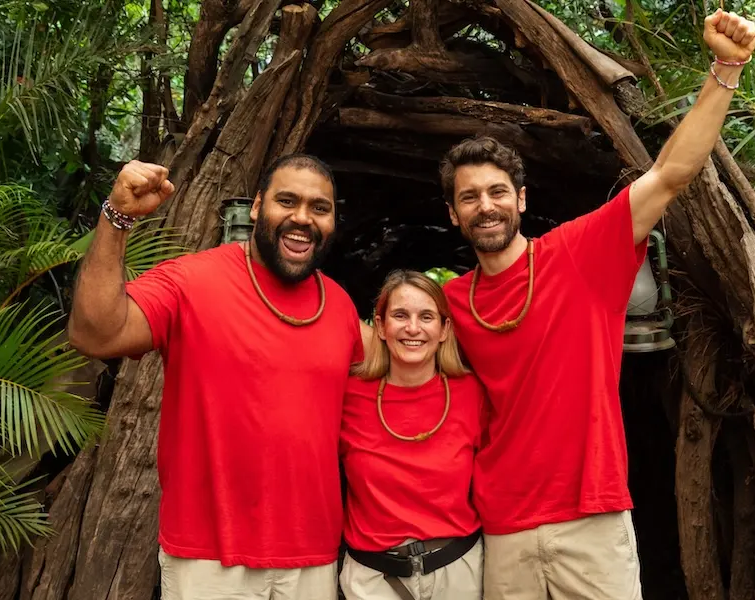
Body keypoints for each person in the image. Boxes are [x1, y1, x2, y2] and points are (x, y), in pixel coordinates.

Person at [437, 10, 755, 600]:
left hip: (591, 516)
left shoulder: (578, 255)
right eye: (469, 197)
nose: (485, 206)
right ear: (453, 214)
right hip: (502, 527)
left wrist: (726, 68)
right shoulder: (450, 304)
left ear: (520, 199)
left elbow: (669, 175)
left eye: (496, 193)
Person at [67, 154, 363, 600]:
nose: (302, 218)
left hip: (313, 559)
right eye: (287, 201)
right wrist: (116, 217)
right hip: (208, 560)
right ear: (258, 206)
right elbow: (94, 333)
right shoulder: (192, 280)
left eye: (319, 208)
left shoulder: (340, 307)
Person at [340, 270, 485, 600]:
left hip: (457, 571)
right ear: (380, 326)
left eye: (427, 316)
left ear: (444, 329)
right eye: (400, 315)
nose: (413, 328)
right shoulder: (348, 396)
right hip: (373, 580)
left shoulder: (472, 393)